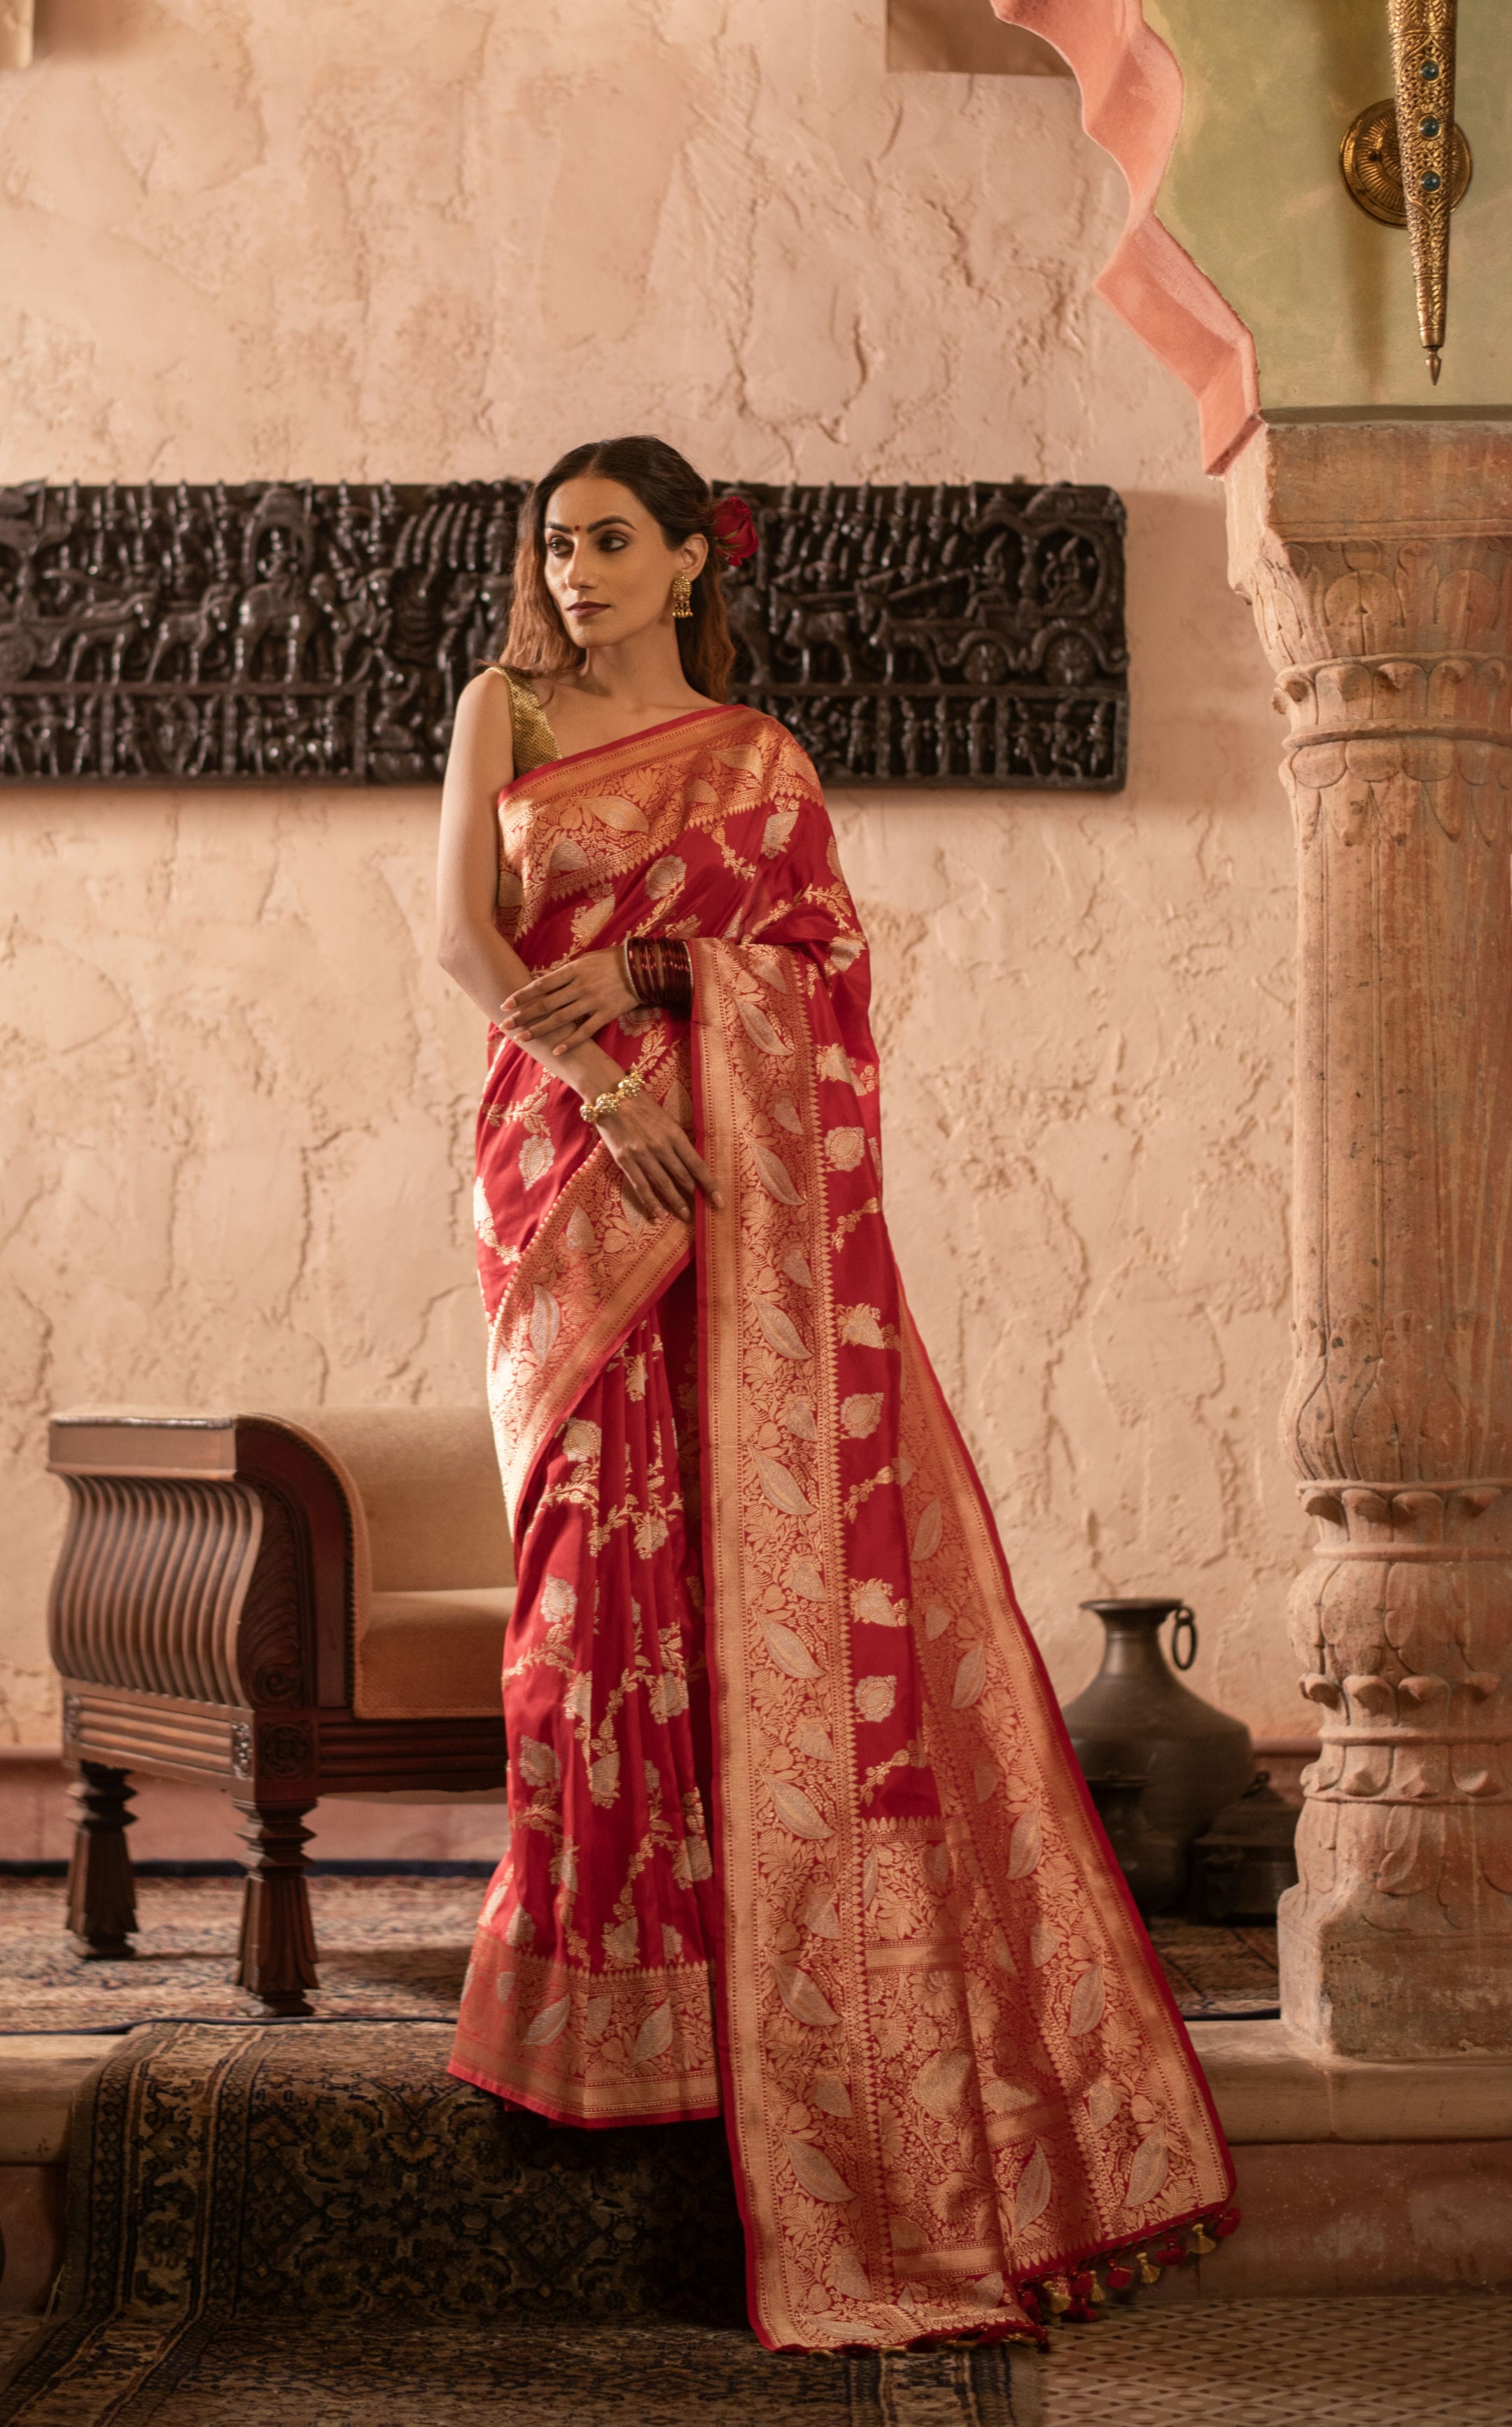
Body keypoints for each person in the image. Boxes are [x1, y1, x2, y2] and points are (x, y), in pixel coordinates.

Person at [433, 436, 1235, 2355]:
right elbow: (464, 939)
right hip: (562, 1181)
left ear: (697, 560)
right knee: (578, 1610)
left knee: (726, 1591)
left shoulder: (759, 763)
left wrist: (656, 981)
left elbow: (821, 982)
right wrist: (607, 1085)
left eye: (612, 540)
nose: (576, 569)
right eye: (556, 541)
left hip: (725, 1195)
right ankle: (575, 2007)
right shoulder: (507, 705)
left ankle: (737, 1999)